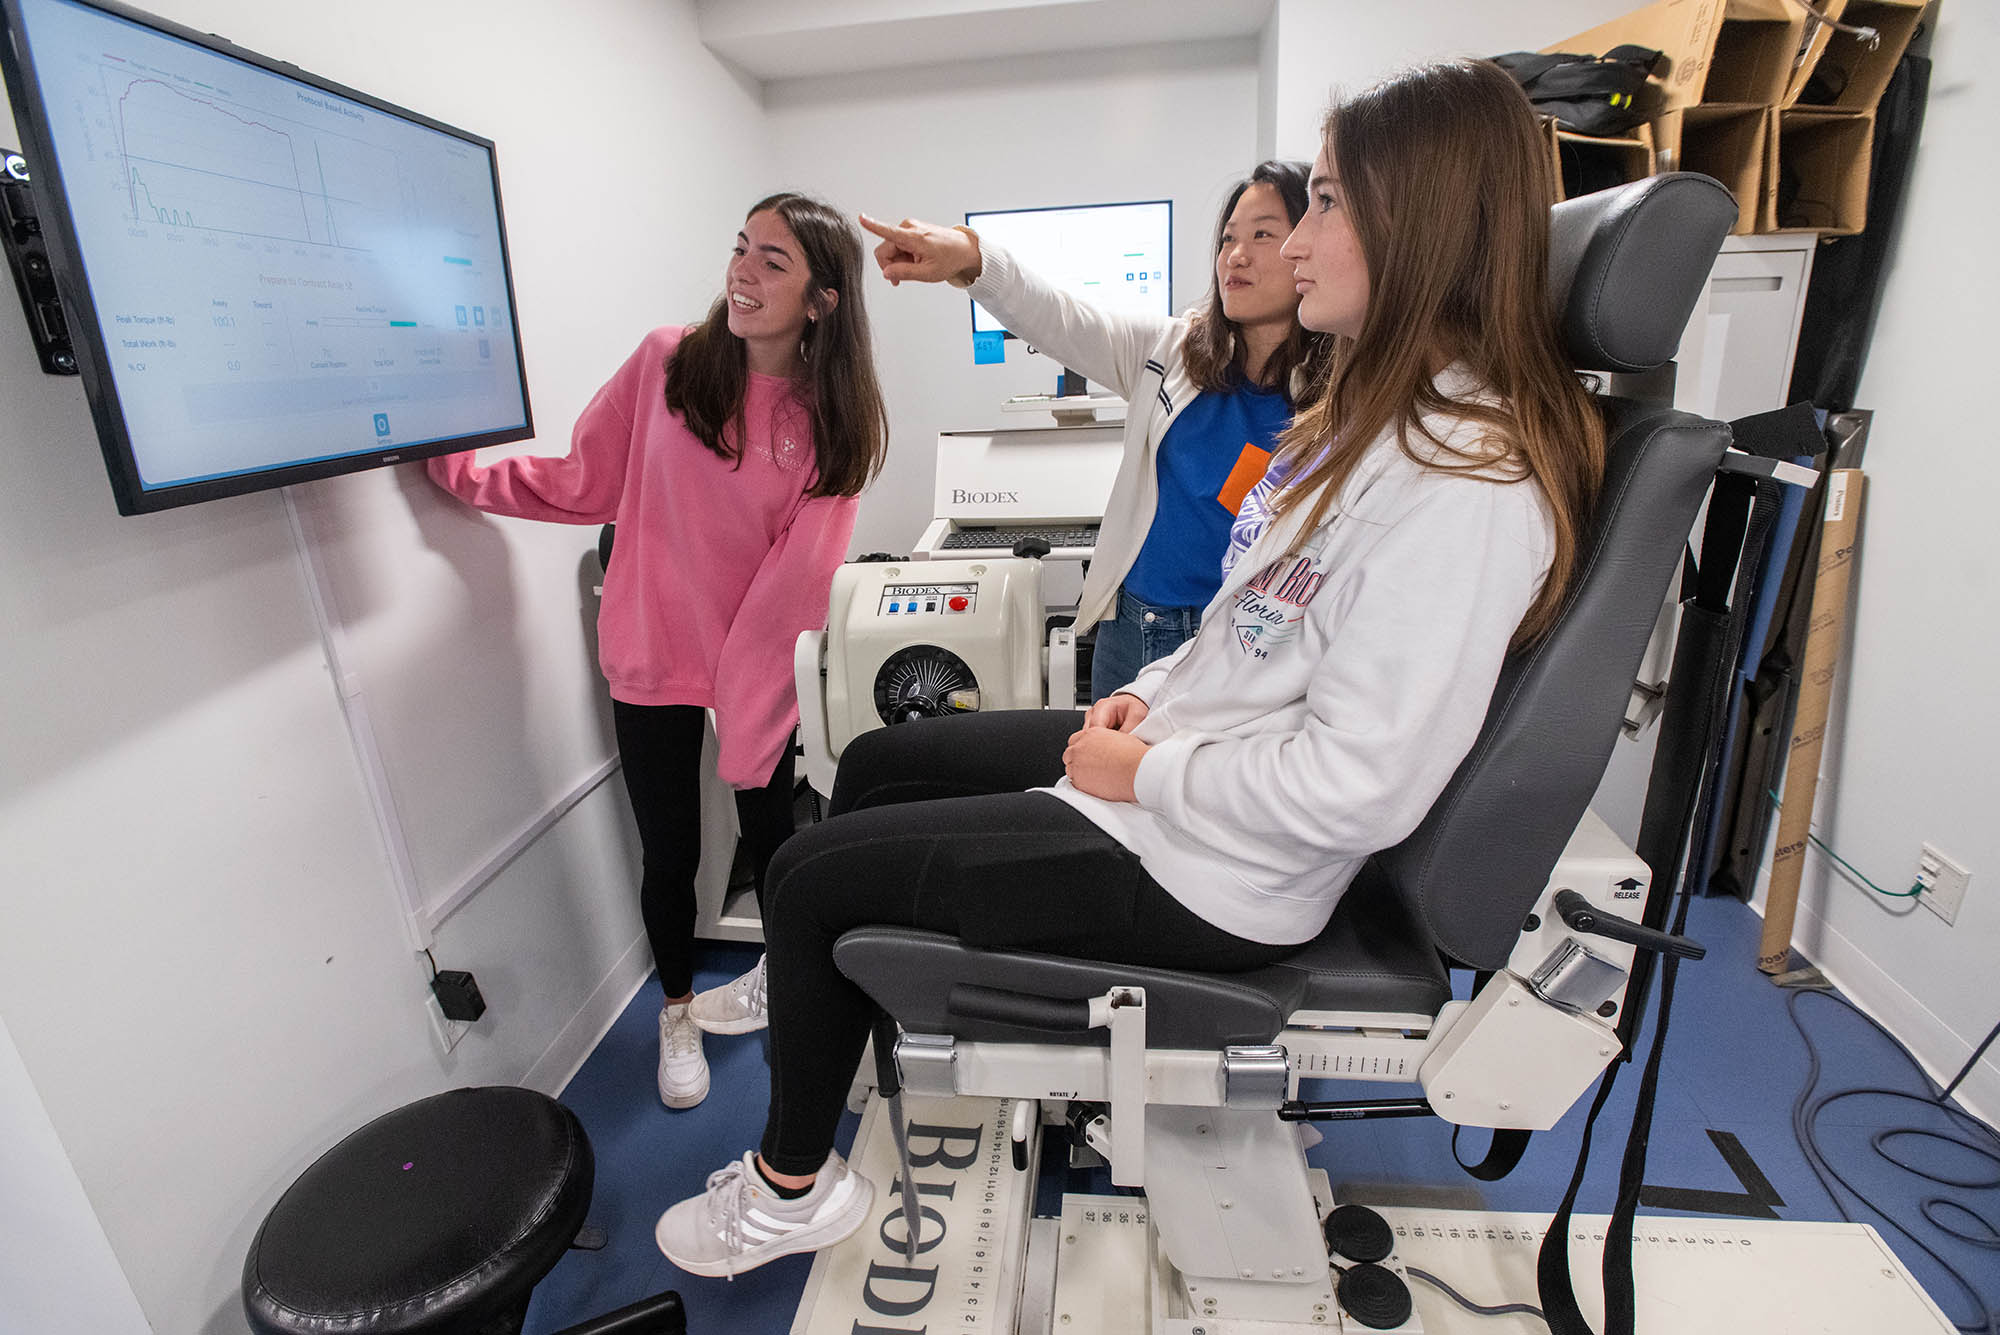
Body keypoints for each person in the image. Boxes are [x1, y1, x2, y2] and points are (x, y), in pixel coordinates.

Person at [653, 58, 1606, 1278]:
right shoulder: (1367, 426)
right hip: (1181, 774)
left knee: (804, 875)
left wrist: (1141, 770)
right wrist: (1143, 702)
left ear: (1415, 222)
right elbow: (1246, 629)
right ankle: (841, 1021)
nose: (1290, 242)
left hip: (1218, 868)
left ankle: (793, 1188)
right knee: (884, 759)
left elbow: (1361, 788)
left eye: (1317, 205)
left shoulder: (1461, 486)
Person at [428, 193, 887, 1110]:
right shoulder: (667, 362)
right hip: (650, 648)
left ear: (823, 299)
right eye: (741, 250)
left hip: (755, 658)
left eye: (773, 263)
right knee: (668, 849)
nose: (743, 275)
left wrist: (746, 704)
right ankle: (676, 1011)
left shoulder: (831, 420)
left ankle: (788, 988)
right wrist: (460, 469)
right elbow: (584, 480)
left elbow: (795, 583)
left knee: (781, 845)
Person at [859, 161, 1329, 700]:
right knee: (1101, 780)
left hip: (1233, 644)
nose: (1235, 256)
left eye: (1262, 235)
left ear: (1306, 246)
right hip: (1131, 630)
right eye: (1227, 239)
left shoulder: (1336, 404)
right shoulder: (1172, 351)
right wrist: (971, 259)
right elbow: (1060, 317)